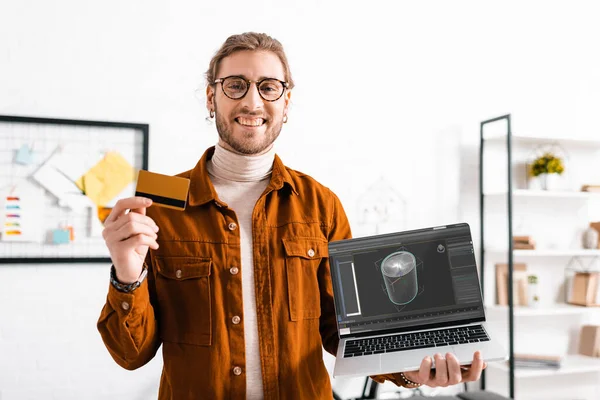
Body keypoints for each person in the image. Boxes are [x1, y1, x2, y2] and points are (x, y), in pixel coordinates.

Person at [97, 32, 486, 400]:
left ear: (286, 102)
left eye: (268, 87)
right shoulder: (160, 205)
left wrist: (411, 371)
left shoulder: (320, 204)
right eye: (235, 85)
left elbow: (343, 331)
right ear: (211, 98)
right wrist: (127, 275)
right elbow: (131, 355)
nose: (252, 102)